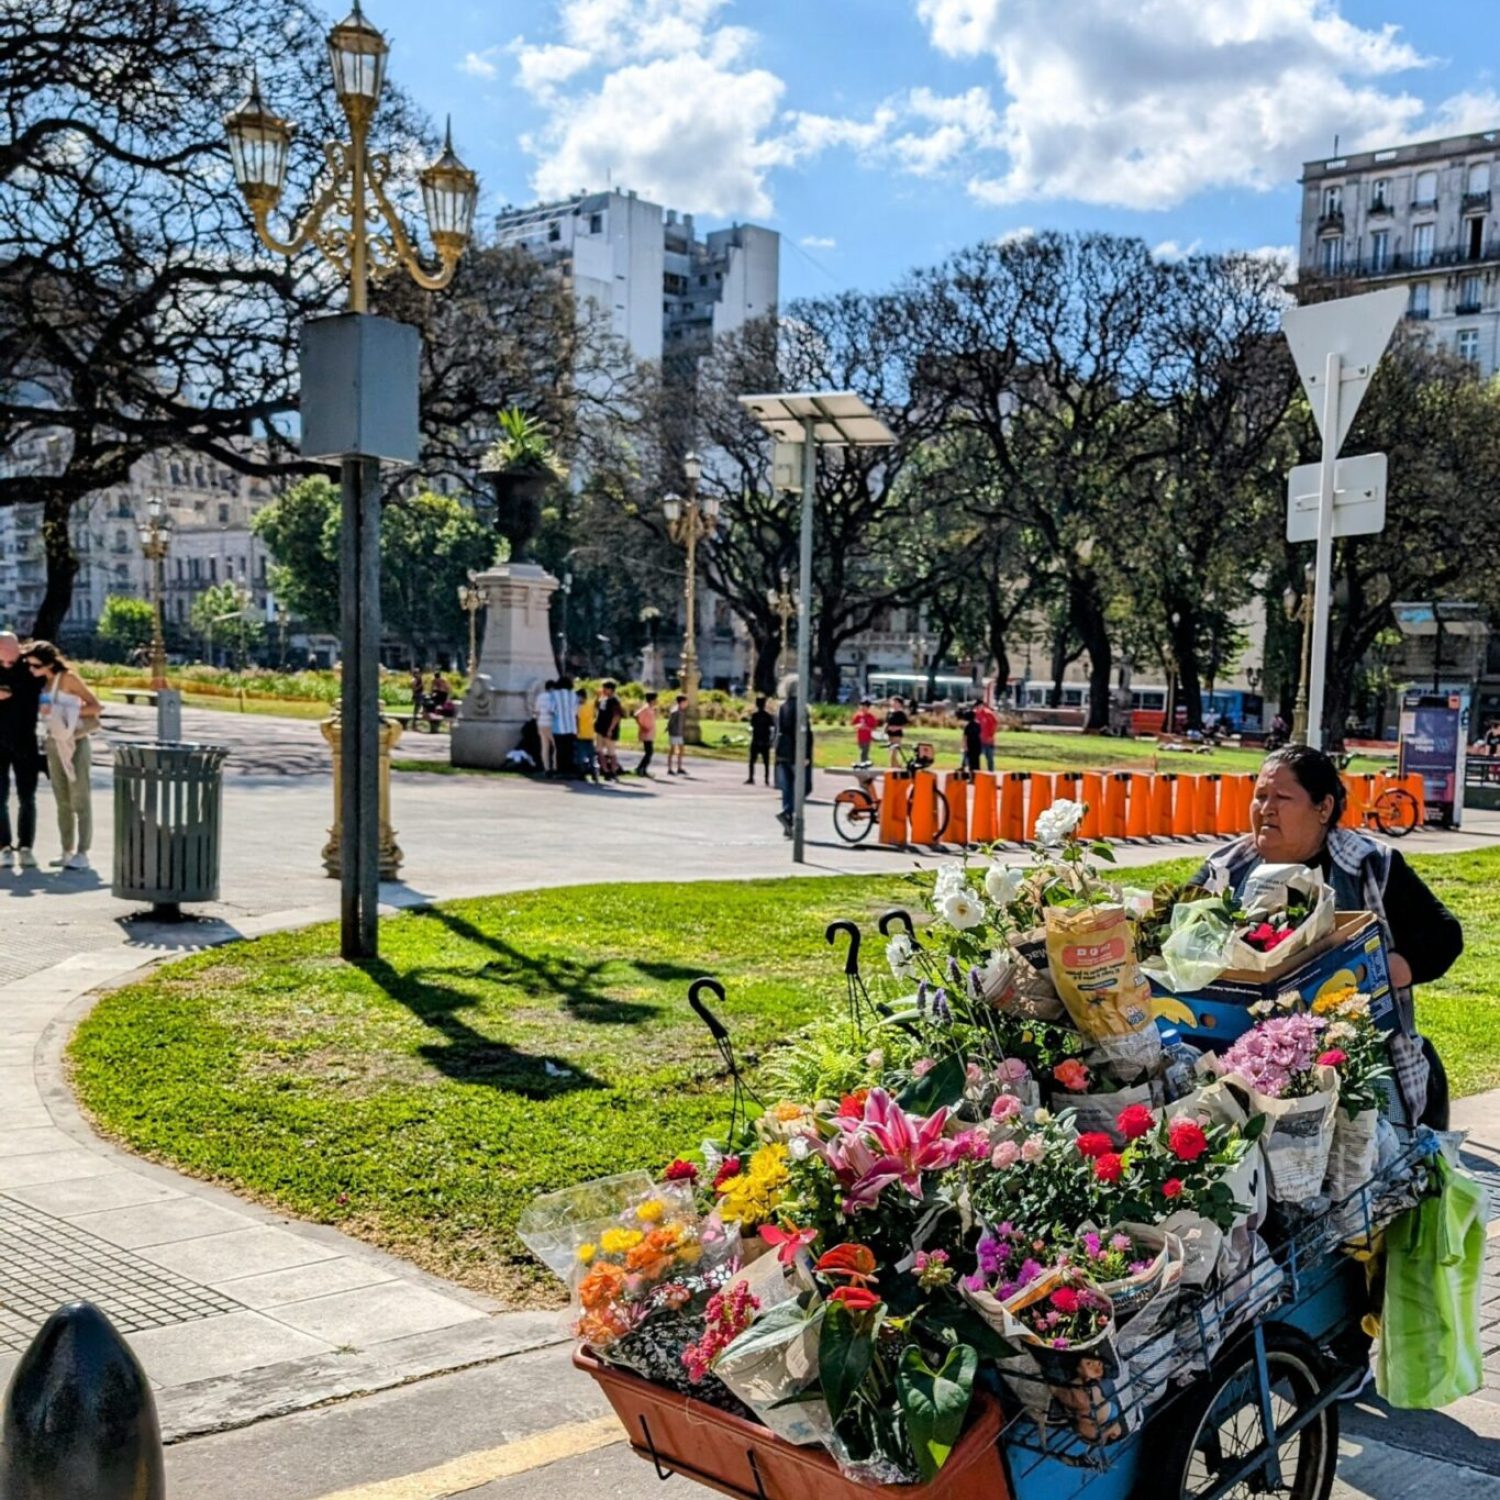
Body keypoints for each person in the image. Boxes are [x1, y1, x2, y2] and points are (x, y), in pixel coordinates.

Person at [1190, 744, 1462, 1128]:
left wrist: (1376, 974)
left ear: (1324, 808)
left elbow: (1443, 936)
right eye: (1260, 796)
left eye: (1282, 797)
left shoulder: (1369, 865)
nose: (1266, 808)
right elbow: (1174, 933)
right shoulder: (1226, 868)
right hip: (1239, 1057)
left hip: (1355, 1059)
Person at [25, 641, 102, 872]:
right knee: (62, 798)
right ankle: (66, 849)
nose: (32, 669)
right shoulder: (45, 682)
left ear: (49, 663)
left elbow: (95, 707)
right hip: (54, 741)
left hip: (75, 741)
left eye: (36, 665)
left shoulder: (67, 678)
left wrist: (64, 713)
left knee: (80, 796)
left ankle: (83, 852)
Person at [0, 631, 42, 871]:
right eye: (1, 659)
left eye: (10, 658)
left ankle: (26, 847)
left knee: (27, 796)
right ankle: (4, 847)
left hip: (25, 741)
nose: (6, 664)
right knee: (0, 798)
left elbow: (46, 679)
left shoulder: (29, 668)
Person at [774, 673, 813, 838]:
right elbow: (804, 732)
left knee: (788, 787)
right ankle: (788, 811)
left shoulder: (783, 707)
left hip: (783, 750)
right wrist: (805, 753)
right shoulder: (801, 707)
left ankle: (788, 821)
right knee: (804, 786)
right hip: (796, 750)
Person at [594, 680, 623, 782]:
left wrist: (611, 729)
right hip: (600, 728)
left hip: (609, 729)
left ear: (611, 689)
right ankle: (605, 770)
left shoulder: (614, 700)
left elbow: (617, 716)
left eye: (605, 688)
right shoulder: (603, 699)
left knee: (611, 752)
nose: (603, 690)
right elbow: (597, 709)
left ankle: (613, 772)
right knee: (599, 750)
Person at [551, 675, 578, 778]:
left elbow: (552, 710)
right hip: (571, 726)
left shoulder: (554, 695)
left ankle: (560, 770)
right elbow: (575, 711)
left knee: (559, 749)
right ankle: (569, 770)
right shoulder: (573, 695)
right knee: (569, 750)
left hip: (558, 726)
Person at [747, 694, 775, 785]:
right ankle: (766, 779)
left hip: (756, 739)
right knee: (766, 762)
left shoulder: (754, 715)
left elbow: (751, 726)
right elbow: (772, 728)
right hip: (765, 740)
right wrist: (771, 740)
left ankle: (751, 777)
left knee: (752, 760)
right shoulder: (768, 716)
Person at [575, 685, 599, 783]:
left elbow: (576, 720)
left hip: (582, 734)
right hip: (589, 733)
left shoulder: (578, 707)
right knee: (591, 755)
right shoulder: (590, 704)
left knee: (582, 756)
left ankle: (583, 774)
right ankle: (593, 774)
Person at [634, 691, 659, 777]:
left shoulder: (651, 708)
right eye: (656, 699)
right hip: (646, 733)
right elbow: (636, 716)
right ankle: (640, 768)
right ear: (652, 700)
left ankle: (643, 769)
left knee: (649, 752)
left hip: (650, 733)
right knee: (649, 752)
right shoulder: (646, 708)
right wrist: (642, 726)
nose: (657, 700)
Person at [534, 680, 557, 774]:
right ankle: (555, 767)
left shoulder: (540, 697)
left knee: (544, 746)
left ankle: (546, 768)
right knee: (556, 746)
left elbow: (536, 711)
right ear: (552, 688)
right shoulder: (554, 697)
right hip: (551, 724)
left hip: (541, 723)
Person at [851, 696, 879, 766]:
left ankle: (864, 764)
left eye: (865, 707)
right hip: (859, 737)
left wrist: (866, 728)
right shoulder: (858, 716)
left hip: (867, 738)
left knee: (864, 752)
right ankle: (867, 763)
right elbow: (853, 725)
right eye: (862, 706)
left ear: (868, 708)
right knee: (862, 751)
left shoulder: (871, 717)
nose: (863, 708)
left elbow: (874, 728)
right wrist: (858, 726)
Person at [973, 697, 998, 772]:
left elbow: (994, 725)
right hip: (978, 740)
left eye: (979, 706)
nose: (978, 708)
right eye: (977, 706)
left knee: (990, 757)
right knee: (975, 757)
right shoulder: (974, 714)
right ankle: (976, 773)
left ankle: (991, 773)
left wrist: (991, 735)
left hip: (988, 740)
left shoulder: (988, 714)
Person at [884, 694, 910, 768]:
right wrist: (884, 730)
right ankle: (897, 768)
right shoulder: (889, 712)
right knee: (890, 754)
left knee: (893, 754)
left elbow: (906, 725)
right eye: (893, 702)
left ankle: (894, 769)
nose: (894, 704)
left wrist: (897, 728)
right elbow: (887, 722)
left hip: (897, 735)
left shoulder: (901, 714)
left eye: (896, 702)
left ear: (900, 704)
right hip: (889, 735)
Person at [666, 695, 688, 775]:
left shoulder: (682, 711)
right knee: (672, 751)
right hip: (674, 734)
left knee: (681, 750)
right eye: (685, 702)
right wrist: (670, 732)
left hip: (680, 734)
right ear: (681, 702)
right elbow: (670, 723)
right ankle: (670, 768)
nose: (686, 704)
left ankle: (679, 768)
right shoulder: (675, 711)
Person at [959, 706, 983, 773]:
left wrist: (965, 746)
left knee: (971, 763)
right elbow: (980, 734)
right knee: (976, 762)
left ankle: (972, 776)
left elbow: (965, 737)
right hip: (977, 745)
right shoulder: (978, 725)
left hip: (970, 745)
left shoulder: (968, 726)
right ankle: (977, 776)